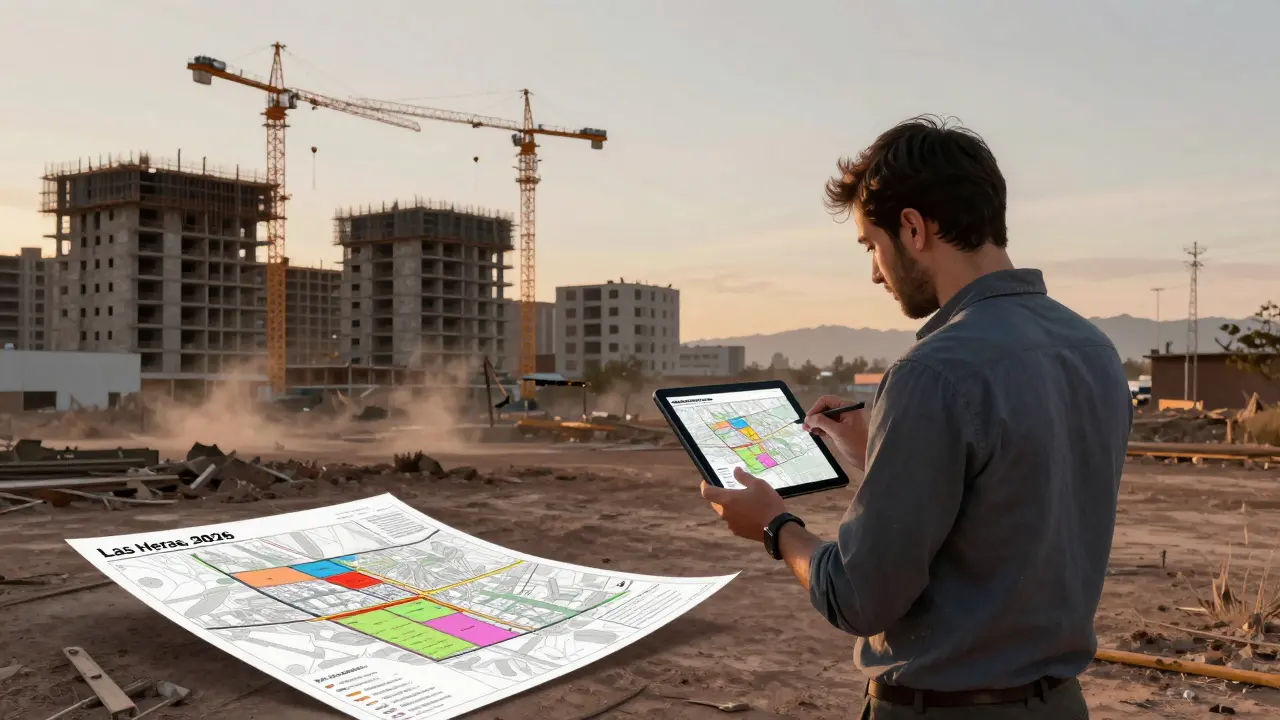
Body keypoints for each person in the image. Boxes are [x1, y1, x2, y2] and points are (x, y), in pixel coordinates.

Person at [700, 115, 1131, 718]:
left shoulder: (933, 371)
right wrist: (878, 455)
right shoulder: (1093, 349)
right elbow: (1006, 507)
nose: (875, 271)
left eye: (871, 247)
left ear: (912, 228)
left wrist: (775, 527)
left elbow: (857, 598)